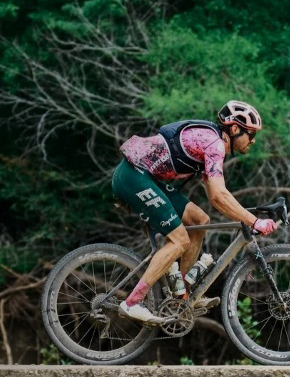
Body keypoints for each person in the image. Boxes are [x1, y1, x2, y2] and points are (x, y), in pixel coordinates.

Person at [111, 100, 278, 324]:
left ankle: (182, 294)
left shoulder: (212, 143)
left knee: (200, 219)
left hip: (145, 176)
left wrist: (248, 217)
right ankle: (132, 303)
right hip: (134, 176)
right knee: (180, 240)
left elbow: (216, 197)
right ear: (235, 129)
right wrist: (254, 221)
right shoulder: (215, 144)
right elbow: (220, 196)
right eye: (251, 134)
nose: (253, 140)